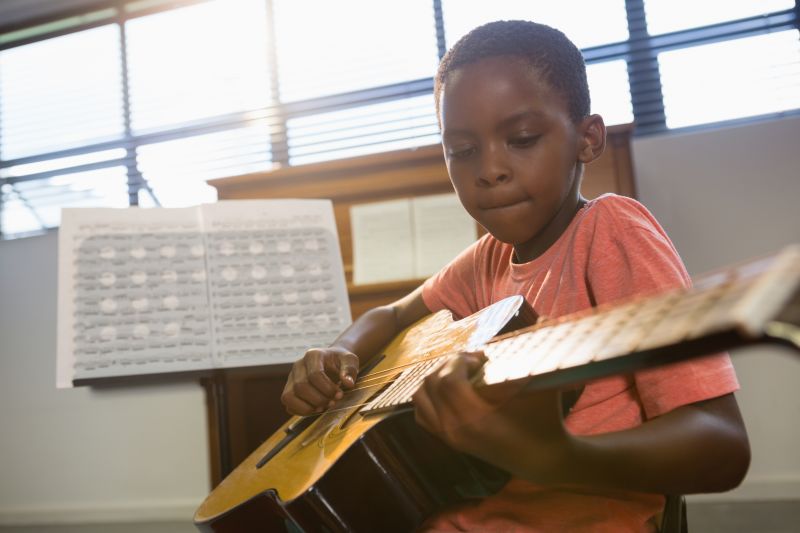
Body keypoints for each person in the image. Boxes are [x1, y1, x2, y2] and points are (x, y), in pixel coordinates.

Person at [281, 19, 750, 532]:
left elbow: (722, 443)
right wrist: (340, 351)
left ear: (587, 140)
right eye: (462, 151)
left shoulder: (612, 230)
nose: (490, 169)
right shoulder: (487, 259)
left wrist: (555, 456)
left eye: (522, 138)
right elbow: (392, 314)